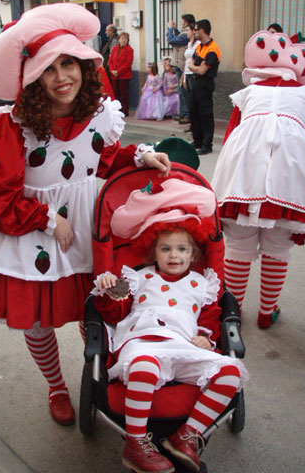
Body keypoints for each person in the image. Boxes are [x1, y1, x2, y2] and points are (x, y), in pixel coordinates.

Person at [0, 3, 172, 428]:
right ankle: (56, 386)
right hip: (30, 230)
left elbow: (104, 162)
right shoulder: (12, 125)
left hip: (87, 226)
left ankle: (100, 376)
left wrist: (143, 156)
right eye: (48, 68)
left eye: (68, 63)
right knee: (38, 320)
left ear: (83, 64)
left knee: (96, 306)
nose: (61, 77)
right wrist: (49, 220)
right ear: (32, 76)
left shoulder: (98, 115)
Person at [92, 178, 249, 473]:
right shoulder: (138, 277)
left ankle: (186, 436)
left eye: (181, 249)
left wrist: (204, 335)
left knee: (230, 373)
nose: (174, 256)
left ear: (194, 254)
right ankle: (136, 444)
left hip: (184, 345)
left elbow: (209, 316)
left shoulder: (202, 283)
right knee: (144, 368)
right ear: (154, 252)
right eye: (165, 249)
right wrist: (107, 289)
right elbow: (115, 313)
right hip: (144, 342)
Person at [211, 29, 305, 330]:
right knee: (278, 244)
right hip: (290, 176)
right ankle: (266, 312)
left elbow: (232, 134)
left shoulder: (248, 93)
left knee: (239, 245)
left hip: (244, 172)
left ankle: (232, 312)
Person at [188, 19, 221, 155]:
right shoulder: (199, 47)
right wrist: (196, 67)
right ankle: (197, 141)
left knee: (205, 114)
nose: (194, 32)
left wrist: (194, 67)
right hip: (195, 83)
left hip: (205, 83)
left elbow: (202, 70)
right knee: (194, 112)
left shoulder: (213, 49)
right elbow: (191, 64)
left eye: (196, 29)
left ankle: (207, 144)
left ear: (201, 30)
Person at [166, 14, 195, 123]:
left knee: (183, 91)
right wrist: (174, 29)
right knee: (181, 91)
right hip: (179, 64)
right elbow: (179, 37)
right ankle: (183, 113)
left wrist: (170, 28)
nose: (181, 23)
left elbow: (172, 41)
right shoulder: (184, 34)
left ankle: (187, 114)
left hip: (183, 65)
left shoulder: (185, 36)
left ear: (186, 22)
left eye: (182, 22)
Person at [108, 32, 134, 116]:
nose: (123, 40)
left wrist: (118, 72)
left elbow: (128, 63)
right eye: (122, 38)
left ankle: (125, 110)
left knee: (124, 94)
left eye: (125, 39)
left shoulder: (129, 50)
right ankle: (117, 109)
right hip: (114, 75)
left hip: (124, 75)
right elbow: (111, 61)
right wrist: (112, 70)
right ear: (119, 39)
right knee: (116, 93)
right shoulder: (115, 48)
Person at [180, 24, 201, 128]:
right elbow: (186, 61)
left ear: (193, 31)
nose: (186, 32)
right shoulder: (189, 44)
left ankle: (195, 124)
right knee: (188, 98)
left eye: (188, 30)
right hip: (187, 72)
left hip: (193, 73)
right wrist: (183, 75)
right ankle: (192, 124)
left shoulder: (198, 44)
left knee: (194, 99)